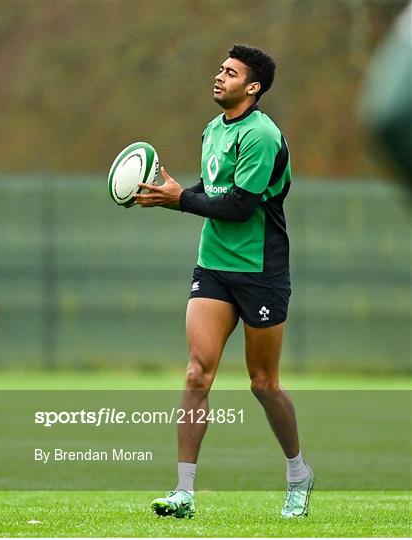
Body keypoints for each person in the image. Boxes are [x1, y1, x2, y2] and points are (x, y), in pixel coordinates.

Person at [135, 44, 314, 519]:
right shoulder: (214, 130)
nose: (219, 76)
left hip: (260, 273)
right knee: (197, 373)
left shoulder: (262, 136)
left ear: (252, 88)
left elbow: (239, 207)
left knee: (262, 383)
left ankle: (298, 473)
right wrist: (170, 193)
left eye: (230, 72)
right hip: (213, 266)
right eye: (220, 69)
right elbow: (212, 192)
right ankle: (184, 493)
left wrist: (180, 202)